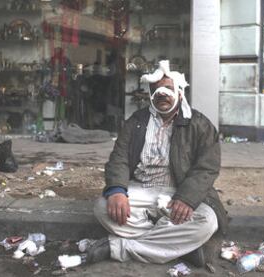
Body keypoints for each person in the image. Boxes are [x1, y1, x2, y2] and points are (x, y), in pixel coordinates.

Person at [86, 60, 228, 267]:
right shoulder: (136, 121)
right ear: (150, 94)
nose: (162, 93)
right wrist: (116, 191)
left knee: (207, 222)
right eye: (156, 90)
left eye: (168, 88)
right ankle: (179, 246)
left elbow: (207, 167)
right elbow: (119, 158)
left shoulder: (200, 124)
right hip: (142, 190)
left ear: (180, 92)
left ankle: (119, 248)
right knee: (102, 207)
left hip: (179, 192)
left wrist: (187, 198)